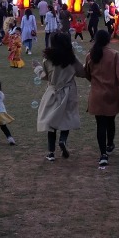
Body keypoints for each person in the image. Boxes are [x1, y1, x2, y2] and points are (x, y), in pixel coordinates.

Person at [34, 32, 86, 162]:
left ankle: (51, 153)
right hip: (69, 92)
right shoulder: (71, 58)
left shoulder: (48, 59)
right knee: (66, 118)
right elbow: (82, 72)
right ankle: (63, 140)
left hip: (53, 92)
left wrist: (37, 68)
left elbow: (45, 76)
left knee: (51, 121)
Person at [84, 29, 119, 166]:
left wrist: (95, 82)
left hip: (96, 95)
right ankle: (110, 144)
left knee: (100, 124)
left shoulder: (90, 55)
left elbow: (87, 74)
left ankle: (103, 154)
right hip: (111, 94)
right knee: (110, 120)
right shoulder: (114, 54)